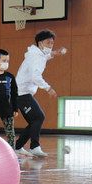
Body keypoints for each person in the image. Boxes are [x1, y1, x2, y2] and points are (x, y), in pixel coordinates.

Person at [14, 29, 67, 157]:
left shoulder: (37, 54)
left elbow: (44, 57)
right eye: (48, 43)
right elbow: (35, 76)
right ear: (40, 43)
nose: (51, 45)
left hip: (22, 93)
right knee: (39, 117)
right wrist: (48, 88)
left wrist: (55, 53)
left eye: (52, 43)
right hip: (22, 93)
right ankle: (34, 147)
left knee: (34, 121)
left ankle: (17, 146)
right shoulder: (36, 56)